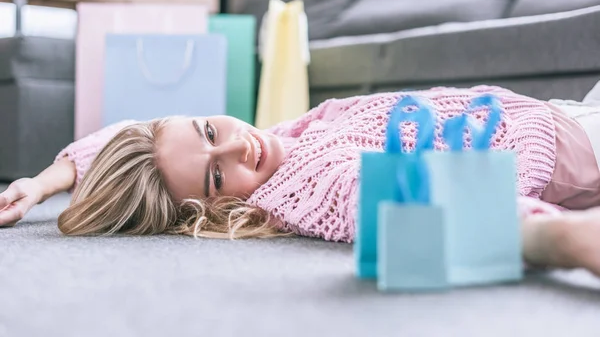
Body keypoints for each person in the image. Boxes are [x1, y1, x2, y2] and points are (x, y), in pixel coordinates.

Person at [2, 85, 600, 276]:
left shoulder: (283, 139)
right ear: (203, 213)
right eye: (216, 174)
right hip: (578, 150)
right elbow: (405, 205)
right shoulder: (309, 185)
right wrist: (563, 240)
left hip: (561, 110)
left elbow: (131, 132)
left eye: (212, 128)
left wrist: (47, 178)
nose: (239, 145)